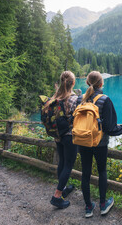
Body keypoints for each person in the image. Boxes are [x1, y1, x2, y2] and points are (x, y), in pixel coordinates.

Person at [77, 71, 122, 218]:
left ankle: (88, 207)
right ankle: (103, 205)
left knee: (85, 173)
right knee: (102, 171)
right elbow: (110, 128)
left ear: (87, 83)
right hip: (100, 143)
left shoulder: (80, 99)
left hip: (82, 142)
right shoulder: (105, 100)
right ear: (101, 84)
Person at [47, 71, 78, 209]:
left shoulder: (55, 97)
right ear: (73, 83)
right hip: (69, 135)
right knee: (68, 165)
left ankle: (63, 187)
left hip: (57, 135)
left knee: (62, 162)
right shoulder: (73, 98)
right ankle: (57, 196)